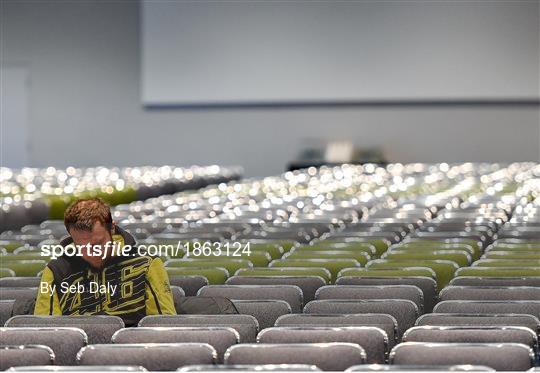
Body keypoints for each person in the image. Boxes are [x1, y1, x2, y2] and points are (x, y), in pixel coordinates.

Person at [34, 198, 176, 325]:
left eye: (98, 244)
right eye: (82, 247)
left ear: (112, 228)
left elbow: (163, 326)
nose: (92, 253)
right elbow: (47, 332)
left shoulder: (147, 263)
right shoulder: (55, 271)